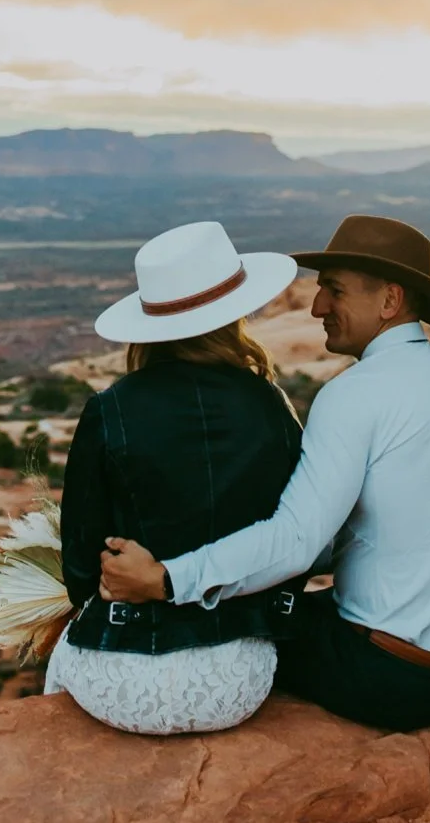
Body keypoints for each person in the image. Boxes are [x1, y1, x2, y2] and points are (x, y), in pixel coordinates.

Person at [99, 214, 430, 734]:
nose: (319, 307)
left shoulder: (353, 394)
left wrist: (166, 578)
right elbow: (386, 528)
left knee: (231, 629)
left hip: (397, 681)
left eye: (334, 291)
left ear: (390, 301)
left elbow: (297, 542)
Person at [45, 219, 304, 735]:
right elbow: (295, 534)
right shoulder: (270, 405)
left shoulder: (109, 410)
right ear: (234, 316)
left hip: (120, 679)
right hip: (236, 680)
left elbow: (80, 562)